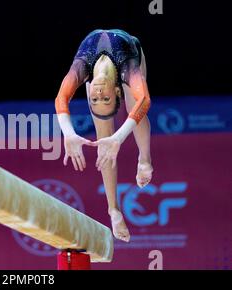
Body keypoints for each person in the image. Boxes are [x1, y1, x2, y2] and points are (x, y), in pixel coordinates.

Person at [55, 29, 153, 242]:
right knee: (106, 135)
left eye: (96, 100)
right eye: (104, 99)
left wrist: (69, 133)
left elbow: (62, 96)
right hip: (129, 51)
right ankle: (114, 211)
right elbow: (144, 99)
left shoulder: (83, 68)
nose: (97, 95)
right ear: (114, 92)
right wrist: (70, 134)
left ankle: (144, 159)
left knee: (133, 104)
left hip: (128, 53)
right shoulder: (128, 67)